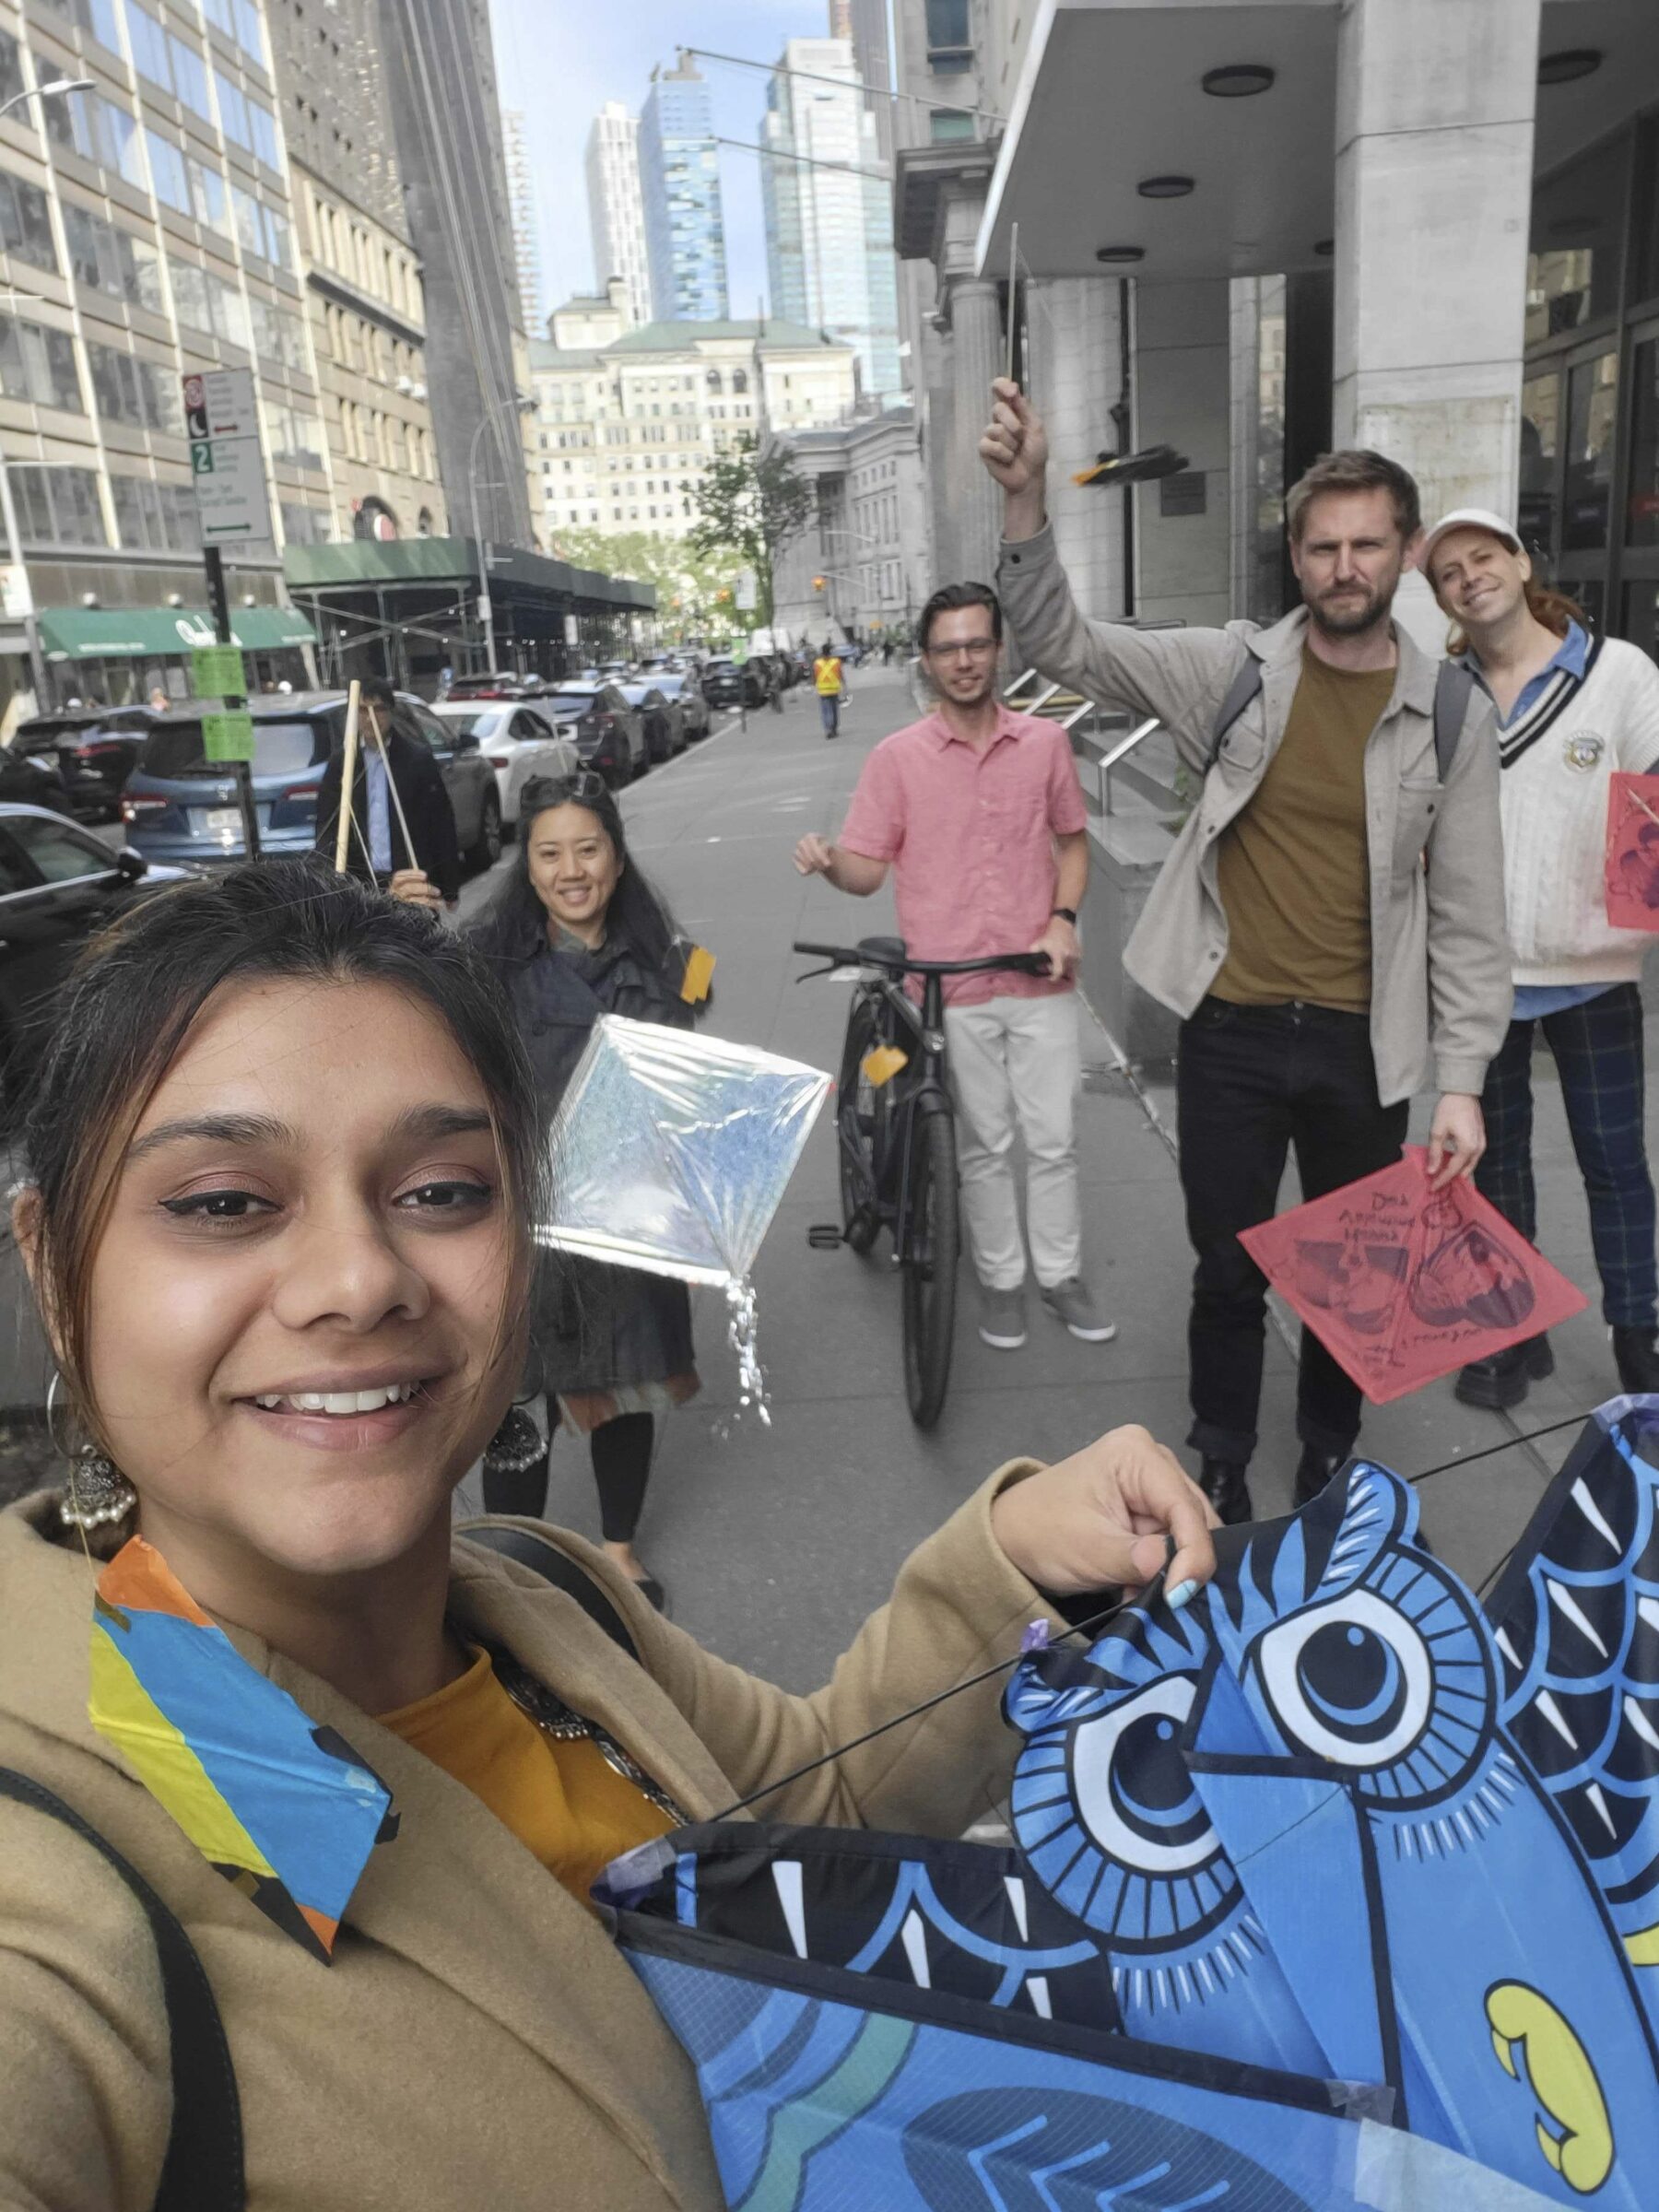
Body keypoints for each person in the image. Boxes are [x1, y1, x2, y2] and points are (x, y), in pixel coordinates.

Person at [0, 857, 1216, 2208]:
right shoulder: (54, 1862)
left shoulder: (548, 1598)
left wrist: (1014, 1569)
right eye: (225, 1203)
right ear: (56, 1271)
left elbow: (812, 1817)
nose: (358, 1280)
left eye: (443, 1190)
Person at [981, 380, 1512, 1524]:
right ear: (1296, 555)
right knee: (1227, 1268)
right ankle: (1217, 1452)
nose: (1344, 566)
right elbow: (1062, 643)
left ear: (1407, 554)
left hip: (1364, 1047)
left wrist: (1462, 1086)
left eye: (1369, 543)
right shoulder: (1230, 671)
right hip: (1227, 1028)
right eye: (1323, 546)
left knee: (1351, 1280)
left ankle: (1328, 1450)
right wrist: (1026, 504)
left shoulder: (1455, 714)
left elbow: (1470, 915)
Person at [794, 581, 1113, 1351]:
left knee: (1053, 1139)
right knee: (983, 1144)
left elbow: (1072, 842)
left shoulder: (1043, 745)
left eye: (977, 644)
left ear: (999, 651)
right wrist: (832, 864)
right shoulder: (897, 759)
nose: (964, 660)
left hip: (1040, 973)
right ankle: (1002, 1281)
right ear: (928, 661)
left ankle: (1061, 1274)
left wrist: (1063, 920)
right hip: (948, 987)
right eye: (948, 648)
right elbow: (869, 870)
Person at [1423, 509, 1659, 1408]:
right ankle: (1515, 1332)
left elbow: (1653, 807)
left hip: (1594, 973)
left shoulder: (1619, 673)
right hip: (1484, 980)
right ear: (1440, 595)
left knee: (1614, 1162)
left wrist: (1628, 925)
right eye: (1449, 571)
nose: (1470, 576)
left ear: (1522, 563)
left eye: (1484, 557)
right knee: (1499, 1165)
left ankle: (1638, 1330)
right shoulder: (1446, 691)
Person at [455, 772, 702, 1611]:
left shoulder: (670, 963)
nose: (571, 870)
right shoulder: (486, 965)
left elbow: (691, 1082)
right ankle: (517, 1567)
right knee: (516, 1403)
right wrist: (406, 924)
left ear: (618, 859)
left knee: (626, 1386)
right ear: (526, 868)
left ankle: (618, 1554)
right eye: (550, 852)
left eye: (587, 849)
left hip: (628, 1215)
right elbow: (419, 1016)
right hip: (526, 1213)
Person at [314, 674, 462, 909]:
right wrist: (329, 882)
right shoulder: (342, 764)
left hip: (409, 876)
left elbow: (441, 824)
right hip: (359, 881)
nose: (371, 718)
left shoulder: (417, 759)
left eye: (379, 709)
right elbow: (327, 828)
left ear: (391, 712)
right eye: (363, 710)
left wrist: (450, 887)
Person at [813, 640, 844, 737]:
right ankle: (834, 729)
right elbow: (841, 675)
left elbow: (815, 677)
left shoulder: (817, 663)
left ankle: (828, 729)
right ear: (830, 651)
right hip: (834, 690)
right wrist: (845, 686)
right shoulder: (836, 661)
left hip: (823, 691)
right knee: (834, 710)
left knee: (826, 711)